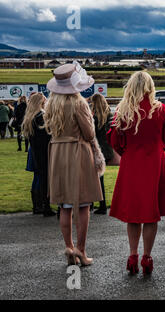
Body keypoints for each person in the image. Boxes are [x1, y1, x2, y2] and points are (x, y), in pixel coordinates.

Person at [109, 71, 165, 276]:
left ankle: (133, 255)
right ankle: (147, 256)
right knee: (150, 215)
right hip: (155, 164)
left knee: (133, 214)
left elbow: (115, 142)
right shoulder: (160, 109)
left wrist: (129, 153)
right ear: (150, 86)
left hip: (131, 164)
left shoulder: (123, 111)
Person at [44, 62, 103, 266]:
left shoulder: (51, 104)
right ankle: (81, 250)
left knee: (65, 205)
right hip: (78, 152)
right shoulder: (79, 104)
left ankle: (69, 247)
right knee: (83, 204)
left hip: (58, 153)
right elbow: (89, 133)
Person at [21, 93, 56, 217]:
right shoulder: (41, 116)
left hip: (36, 152)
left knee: (41, 178)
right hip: (45, 151)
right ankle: (45, 206)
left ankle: (40, 205)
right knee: (45, 179)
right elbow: (47, 135)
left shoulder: (30, 117)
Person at [91, 93, 113, 215]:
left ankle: (94, 204)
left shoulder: (94, 118)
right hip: (106, 150)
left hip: (96, 150)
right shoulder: (108, 115)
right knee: (100, 178)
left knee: (94, 178)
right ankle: (102, 204)